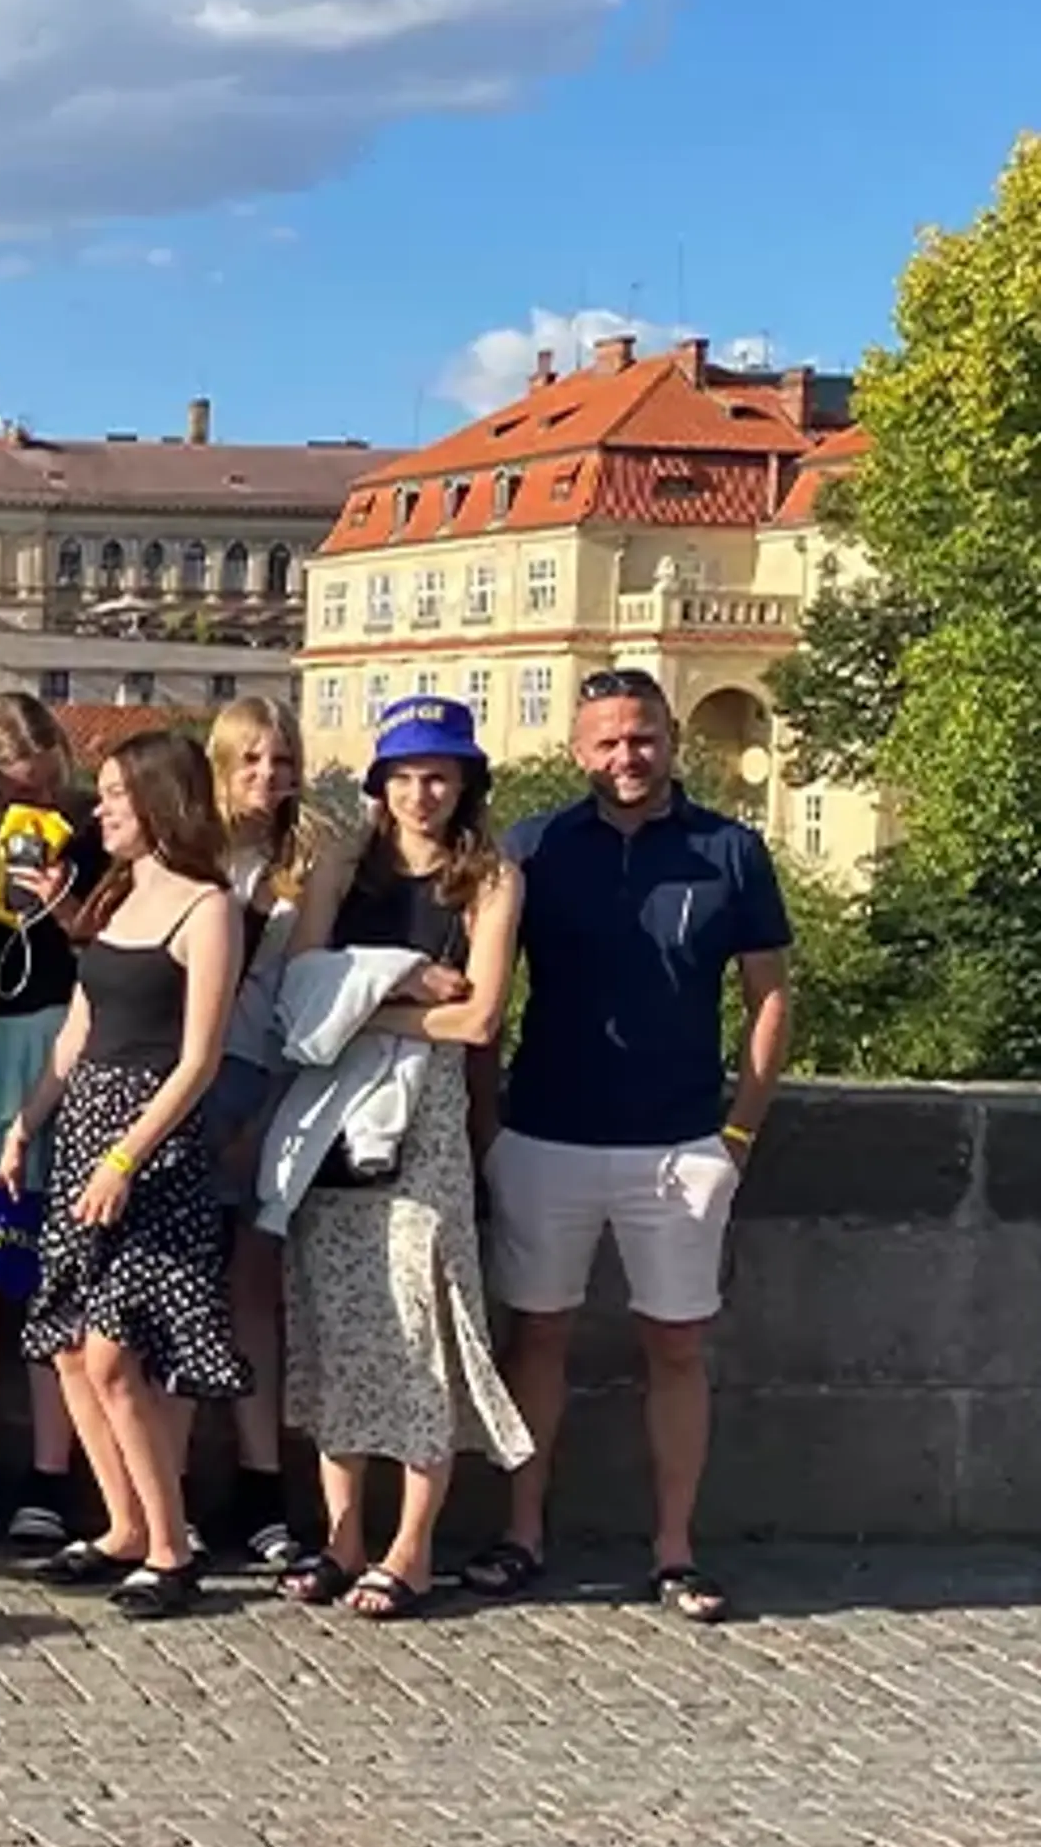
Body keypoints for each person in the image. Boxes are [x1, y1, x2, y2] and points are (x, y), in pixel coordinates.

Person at [466, 667, 791, 1625]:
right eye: (606, 741)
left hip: (681, 1139)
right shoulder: (532, 848)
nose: (626, 756)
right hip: (545, 1132)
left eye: (642, 737)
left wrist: (741, 1127)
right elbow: (482, 1000)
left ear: (672, 740)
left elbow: (769, 996)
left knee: (677, 1346)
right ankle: (523, 1532)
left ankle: (675, 1550)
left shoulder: (728, 851)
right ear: (577, 751)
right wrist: (489, 1132)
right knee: (537, 1335)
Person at [268, 697, 534, 1620]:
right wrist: (405, 982)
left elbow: (480, 1018)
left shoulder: (490, 877)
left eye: (439, 777)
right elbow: (299, 998)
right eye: (406, 776)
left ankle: (411, 1545)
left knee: (424, 1321)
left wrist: (359, 1005)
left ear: (464, 785)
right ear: (380, 783)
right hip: (335, 1113)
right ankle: (342, 1533)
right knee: (337, 1318)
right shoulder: (343, 859)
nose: (421, 794)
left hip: (425, 1121)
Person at [0, 729, 246, 1620]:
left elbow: (199, 1059)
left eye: (111, 794)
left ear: (158, 801)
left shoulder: (208, 907)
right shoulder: (111, 895)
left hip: (150, 1148)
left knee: (114, 1356)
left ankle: (174, 1546)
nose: (97, 810)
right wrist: (25, 1122)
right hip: (83, 1131)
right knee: (69, 1345)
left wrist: (122, 1156)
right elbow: (77, 1028)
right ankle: (123, 1527)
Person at [0, 694, 102, 1543]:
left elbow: (109, 955)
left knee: (49, 1264)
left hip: (58, 1046)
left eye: (44, 783)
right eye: (14, 788)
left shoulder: (88, 840)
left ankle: (50, 1471)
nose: (31, 803)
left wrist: (68, 907)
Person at [201, 695, 317, 1569]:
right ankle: (167, 1493)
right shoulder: (190, 851)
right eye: (252, 761)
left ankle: (260, 1482)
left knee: (252, 1293)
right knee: (173, 1290)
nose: (268, 779)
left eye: (281, 763)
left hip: (266, 1077)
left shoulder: (305, 862)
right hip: (187, 1081)